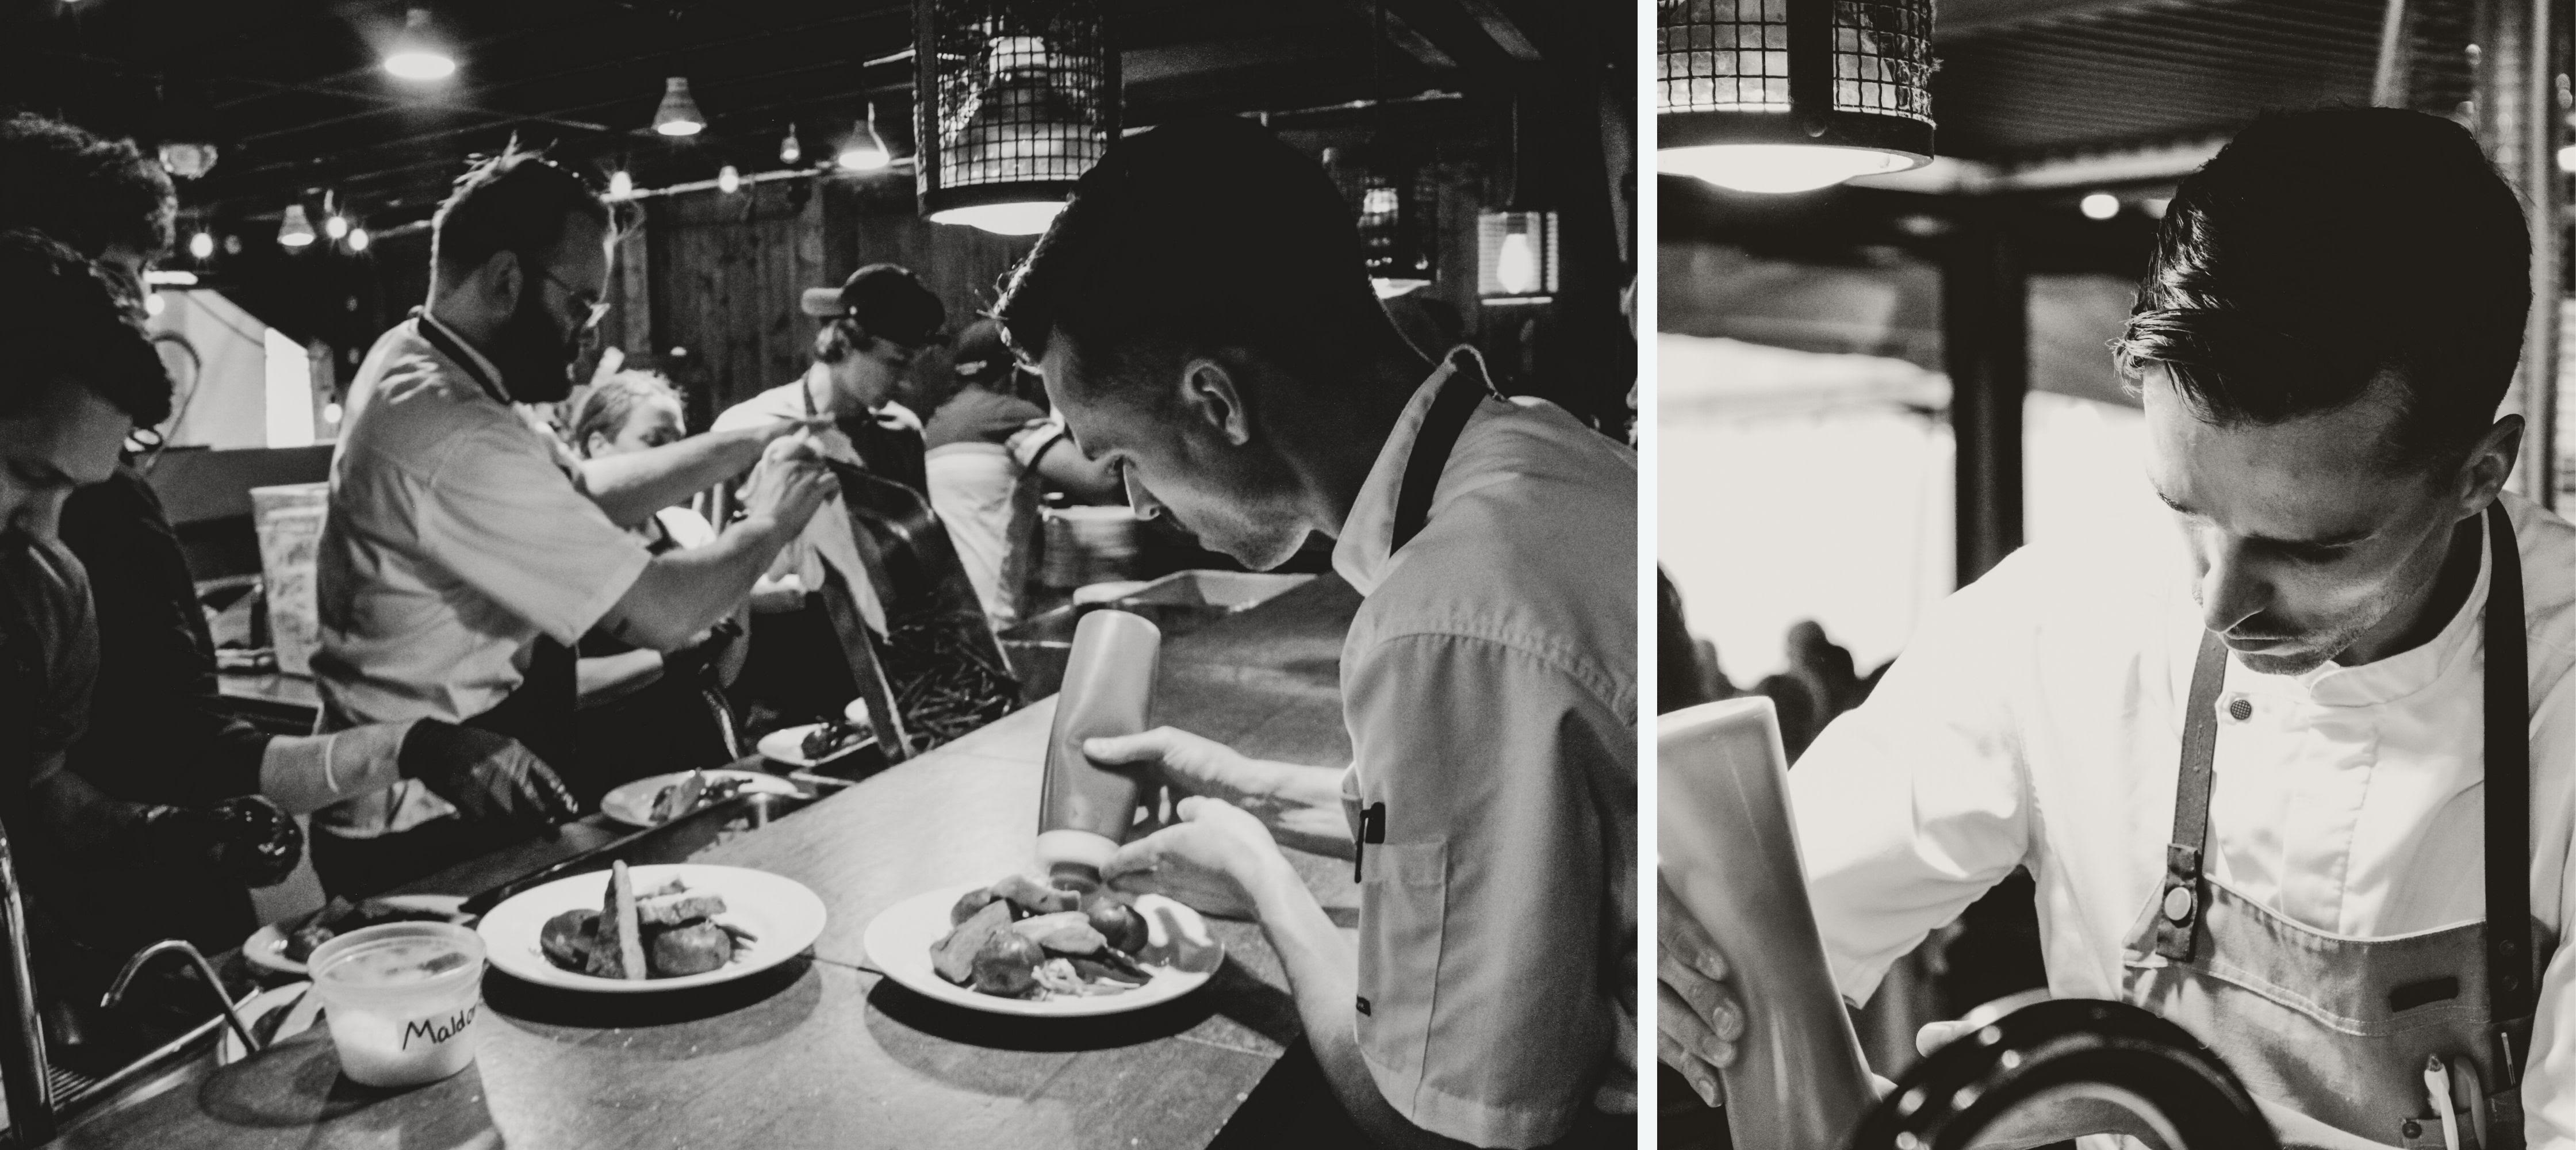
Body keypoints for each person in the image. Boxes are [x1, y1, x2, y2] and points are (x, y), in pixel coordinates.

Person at [1659, 109, 2576, 1148]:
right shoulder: (2062, 620)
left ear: (2478, 476)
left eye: (2311, 549)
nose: (2219, 603)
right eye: (2186, 510)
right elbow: (1777, 922)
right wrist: (1679, 953)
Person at [994, 118, 1636, 1149]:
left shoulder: (1445, 613)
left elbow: (1435, 1122)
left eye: (1122, 459)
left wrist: (1261, 877)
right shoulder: (1539, 452)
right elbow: (1495, 833)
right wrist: (1236, 784)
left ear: (1216, 401)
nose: (1140, 504)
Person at [1, 112, 579, 959]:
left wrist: (268, 890)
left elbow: (88, 779)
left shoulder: (61, 564)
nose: (132, 311)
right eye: (115, 281)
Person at [313, 147, 837, 895]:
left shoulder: (419, 355)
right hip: (428, 817)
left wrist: (739, 444)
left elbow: (579, 489)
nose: (588, 333)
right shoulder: (455, 429)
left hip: (437, 789)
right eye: (580, 306)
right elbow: (664, 611)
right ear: (505, 281)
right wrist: (774, 518)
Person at [0, 229, 306, 1055]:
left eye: (70, 496)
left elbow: (39, 796)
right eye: (27, 480)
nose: (46, 535)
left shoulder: (49, 595)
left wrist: (169, 828)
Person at [712, 264, 946, 725]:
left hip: (876, 665)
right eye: (896, 363)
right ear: (842, 341)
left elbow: (915, 558)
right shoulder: (749, 429)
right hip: (777, 671)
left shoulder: (901, 431)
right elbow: (712, 572)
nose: (906, 383)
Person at [565, 370, 748, 802]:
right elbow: (560, 690)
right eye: (655, 439)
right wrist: (667, 654)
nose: (675, 456)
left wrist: (740, 570)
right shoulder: (565, 545)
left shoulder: (688, 529)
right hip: (604, 772)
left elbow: (722, 674)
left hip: (698, 758)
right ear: (598, 446)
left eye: (679, 439)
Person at [919, 317, 1118, 631]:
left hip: (948, 614)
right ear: (1016, 370)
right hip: (994, 614)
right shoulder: (1008, 417)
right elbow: (1101, 483)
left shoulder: (934, 425)